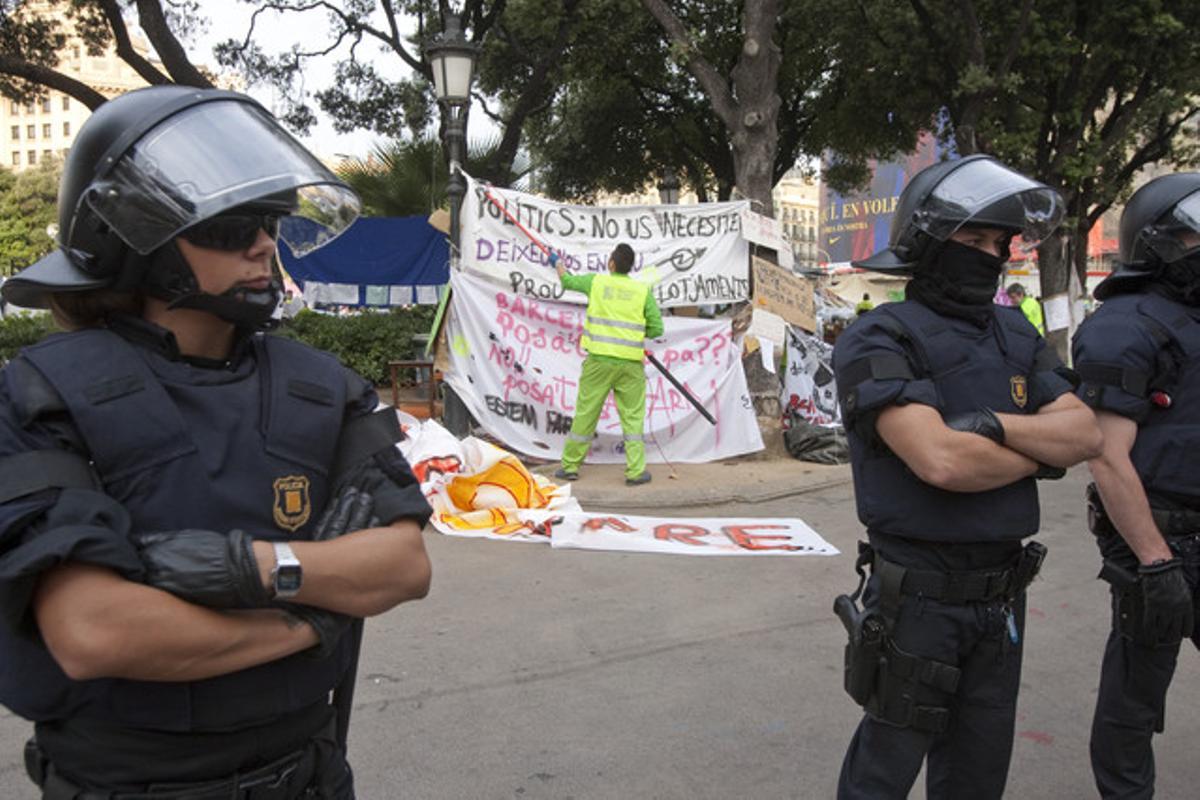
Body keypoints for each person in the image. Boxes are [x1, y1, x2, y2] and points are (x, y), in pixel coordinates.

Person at [0, 86, 432, 799]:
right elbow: (96, 631)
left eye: (268, 222)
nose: (265, 244)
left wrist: (248, 569)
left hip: (309, 776)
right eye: (231, 227)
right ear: (132, 236)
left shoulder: (321, 386)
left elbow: (403, 564)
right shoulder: (42, 393)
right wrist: (317, 613)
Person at [830, 154, 1102, 799]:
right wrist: (1042, 452)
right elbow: (941, 460)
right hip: (917, 597)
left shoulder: (1012, 329)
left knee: (979, 772)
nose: (991, 254)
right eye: (973, 239)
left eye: (998, 242)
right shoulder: (878, 337)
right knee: (885, 768)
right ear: (928, 244)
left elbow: (1086, 433)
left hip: (1003, 595)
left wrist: (990, 426)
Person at [1072, 172, 1200, 799]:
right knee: (1135, 695)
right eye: (1189, 237)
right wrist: (1156, 561)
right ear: (1157, 244)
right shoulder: (1125, 325)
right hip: (1159, 538)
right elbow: (1106, 456)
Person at [552, 243, 663, 485]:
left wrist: (557, 264)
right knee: (633, 418)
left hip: (598, 362)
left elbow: (568, 281)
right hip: (631, 365)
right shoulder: (642, 291)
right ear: (630, 267)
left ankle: (570, 466)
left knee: (586, 413)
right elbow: (657, 329)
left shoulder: (596, 282)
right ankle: (636, 472)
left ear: (611, 263)